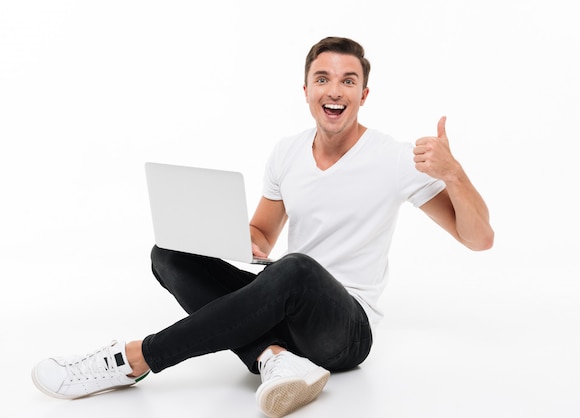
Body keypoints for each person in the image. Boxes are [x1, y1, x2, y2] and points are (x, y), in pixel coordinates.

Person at [31, 36, 494, 417]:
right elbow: (260, 238)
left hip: (345, 330)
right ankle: (274, 358)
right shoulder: (286, 152)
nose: (335, 90)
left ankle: (132, 359)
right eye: (323, 79)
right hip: (284, 306)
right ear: (307, 89)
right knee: (168, 254)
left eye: (348, 81)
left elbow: (479, 239)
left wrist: (454, 174)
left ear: (363, 95)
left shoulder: (395, 158)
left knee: (293, 269)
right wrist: (211, 229)